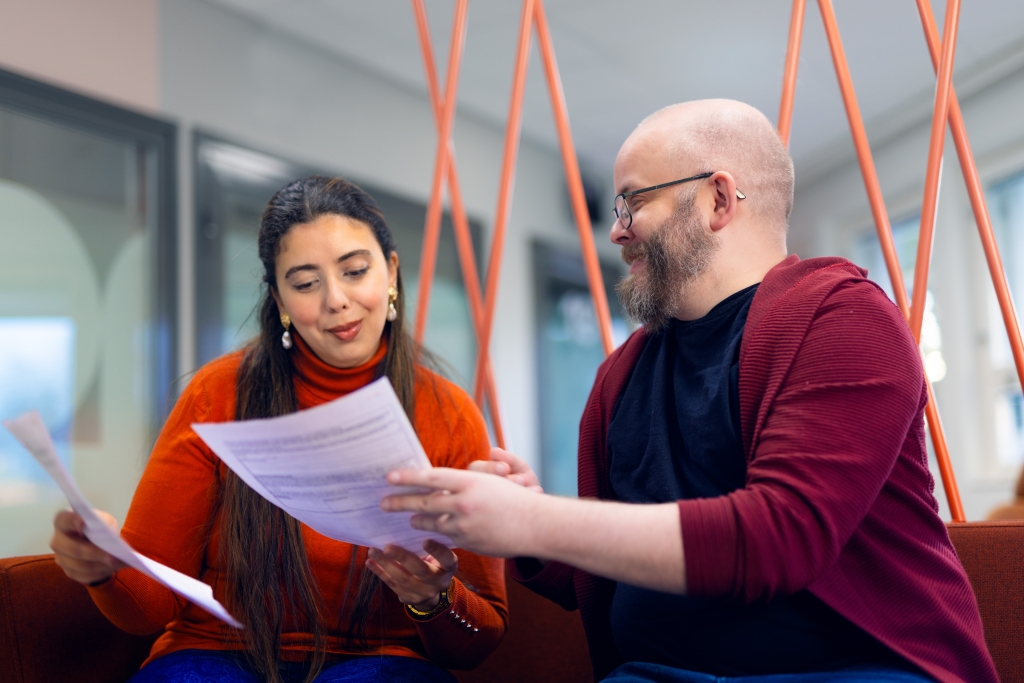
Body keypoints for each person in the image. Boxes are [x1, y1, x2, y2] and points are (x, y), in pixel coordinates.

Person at [382, 100, 998, 683]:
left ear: (718, 198)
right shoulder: (619, 377)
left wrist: (537, 520)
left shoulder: (842, 318)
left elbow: (777, 540)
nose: (617, 233)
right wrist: (517, 524)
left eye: (631, 203)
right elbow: (628, 567)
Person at [49, 176, 507, 683]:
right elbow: (148, 608)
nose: (336, 300)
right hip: (216, 654)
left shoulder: (448, 413)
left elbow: (479, 642)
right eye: (306, 283)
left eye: (355, 271)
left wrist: (434, 599)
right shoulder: (217, 393)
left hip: (377, 663)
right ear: (281, 301)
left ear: (392, 272)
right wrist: (104, 569)